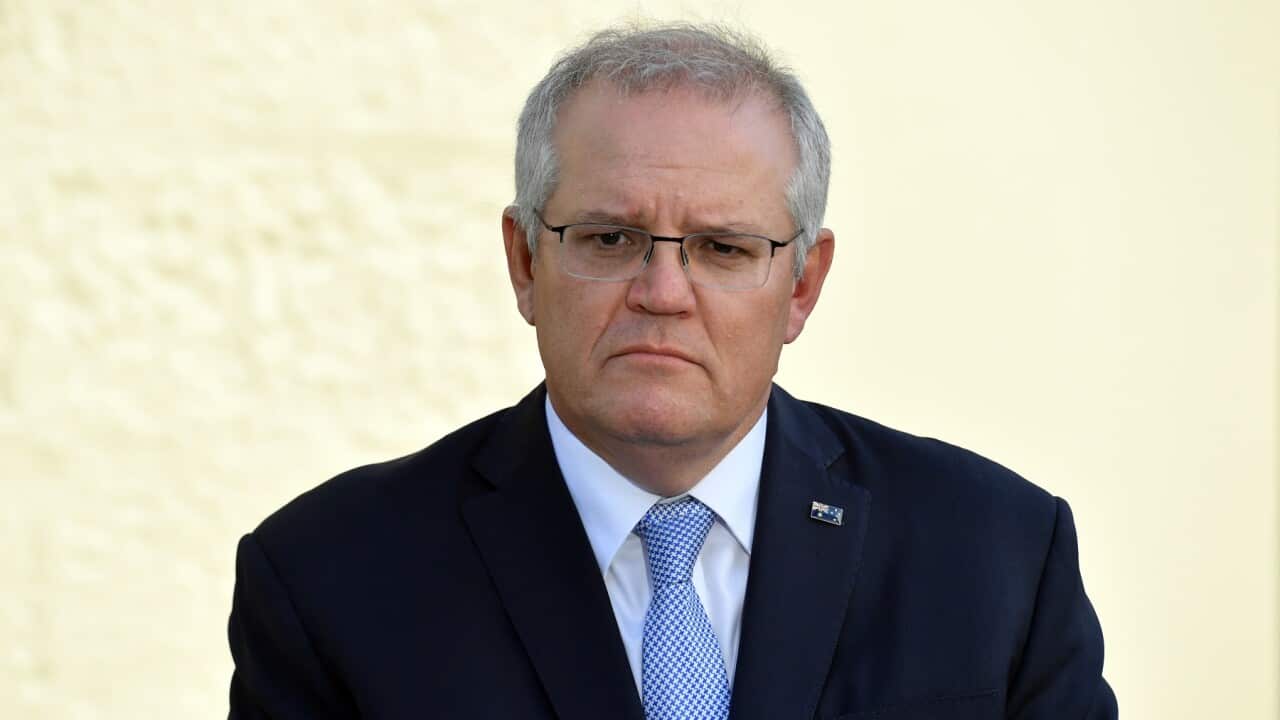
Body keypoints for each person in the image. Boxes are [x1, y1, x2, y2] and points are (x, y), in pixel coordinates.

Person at [227, 23, 1117, 719]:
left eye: (723, 248)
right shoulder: (331, 579)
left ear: (802, 286)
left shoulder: (995, 555)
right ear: (525, 261)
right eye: (610, 238)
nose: (662, 292)